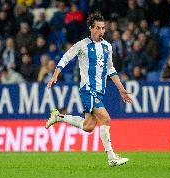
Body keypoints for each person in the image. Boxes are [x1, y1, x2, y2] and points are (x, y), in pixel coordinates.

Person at [45, 12, 132, 166]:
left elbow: (111, 70)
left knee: (89, 126)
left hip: (99, 90)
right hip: (88, 89)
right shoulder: (82, 45)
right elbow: (66, 57)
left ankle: (58, 117)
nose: (101, 31)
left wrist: (121, 89)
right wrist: (56, 74)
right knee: (106, 119)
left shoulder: (107, 47)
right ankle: (111, 157)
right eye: (97, 28)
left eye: (103, 28)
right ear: (91, 28)